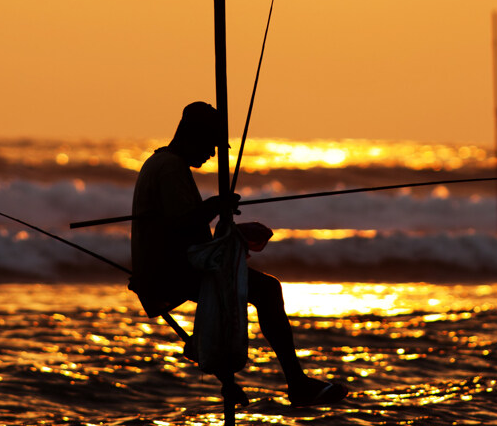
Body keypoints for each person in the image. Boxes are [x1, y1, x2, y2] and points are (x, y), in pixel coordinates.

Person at [129, 101, 347, 407]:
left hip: (170, 266)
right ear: (193, 135)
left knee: (248, 281)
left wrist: (230, 230)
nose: (213, 154)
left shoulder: (162, 163)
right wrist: (215, 207)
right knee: (268, 290)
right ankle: (296, 383)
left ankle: (223, 366)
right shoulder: (169, 167)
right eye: (210, 144)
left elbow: (183, 226)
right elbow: (182, 225)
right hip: (170, 272)